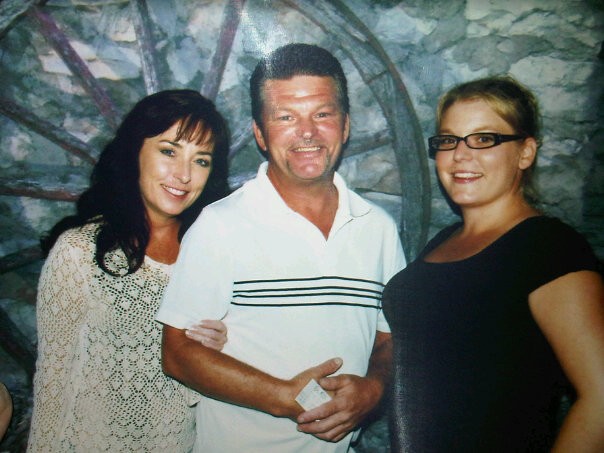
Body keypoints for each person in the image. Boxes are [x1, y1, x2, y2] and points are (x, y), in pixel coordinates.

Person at [157, 43, 406, 452]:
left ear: (345, 126)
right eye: (286, 117)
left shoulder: (376, 228)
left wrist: (374, 389)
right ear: (260, 133)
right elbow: (178, 353)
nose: (307, 132)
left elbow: (389, 338)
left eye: (322, 114)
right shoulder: (221, 225)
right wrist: (283, 397)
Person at [383, 75, 604, 452]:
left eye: (484, 139)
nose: (460, 155)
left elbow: (600, 398)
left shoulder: (548, 248)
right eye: (449, 140)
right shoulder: (445, 240)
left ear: (525, 152)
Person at [27, 90, 231, 452]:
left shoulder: (213, 257)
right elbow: (52, 383)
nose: (183, 175)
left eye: (200, 160)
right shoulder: (79, 252)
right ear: (135, 151)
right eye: (168, 151)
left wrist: (217, 350)